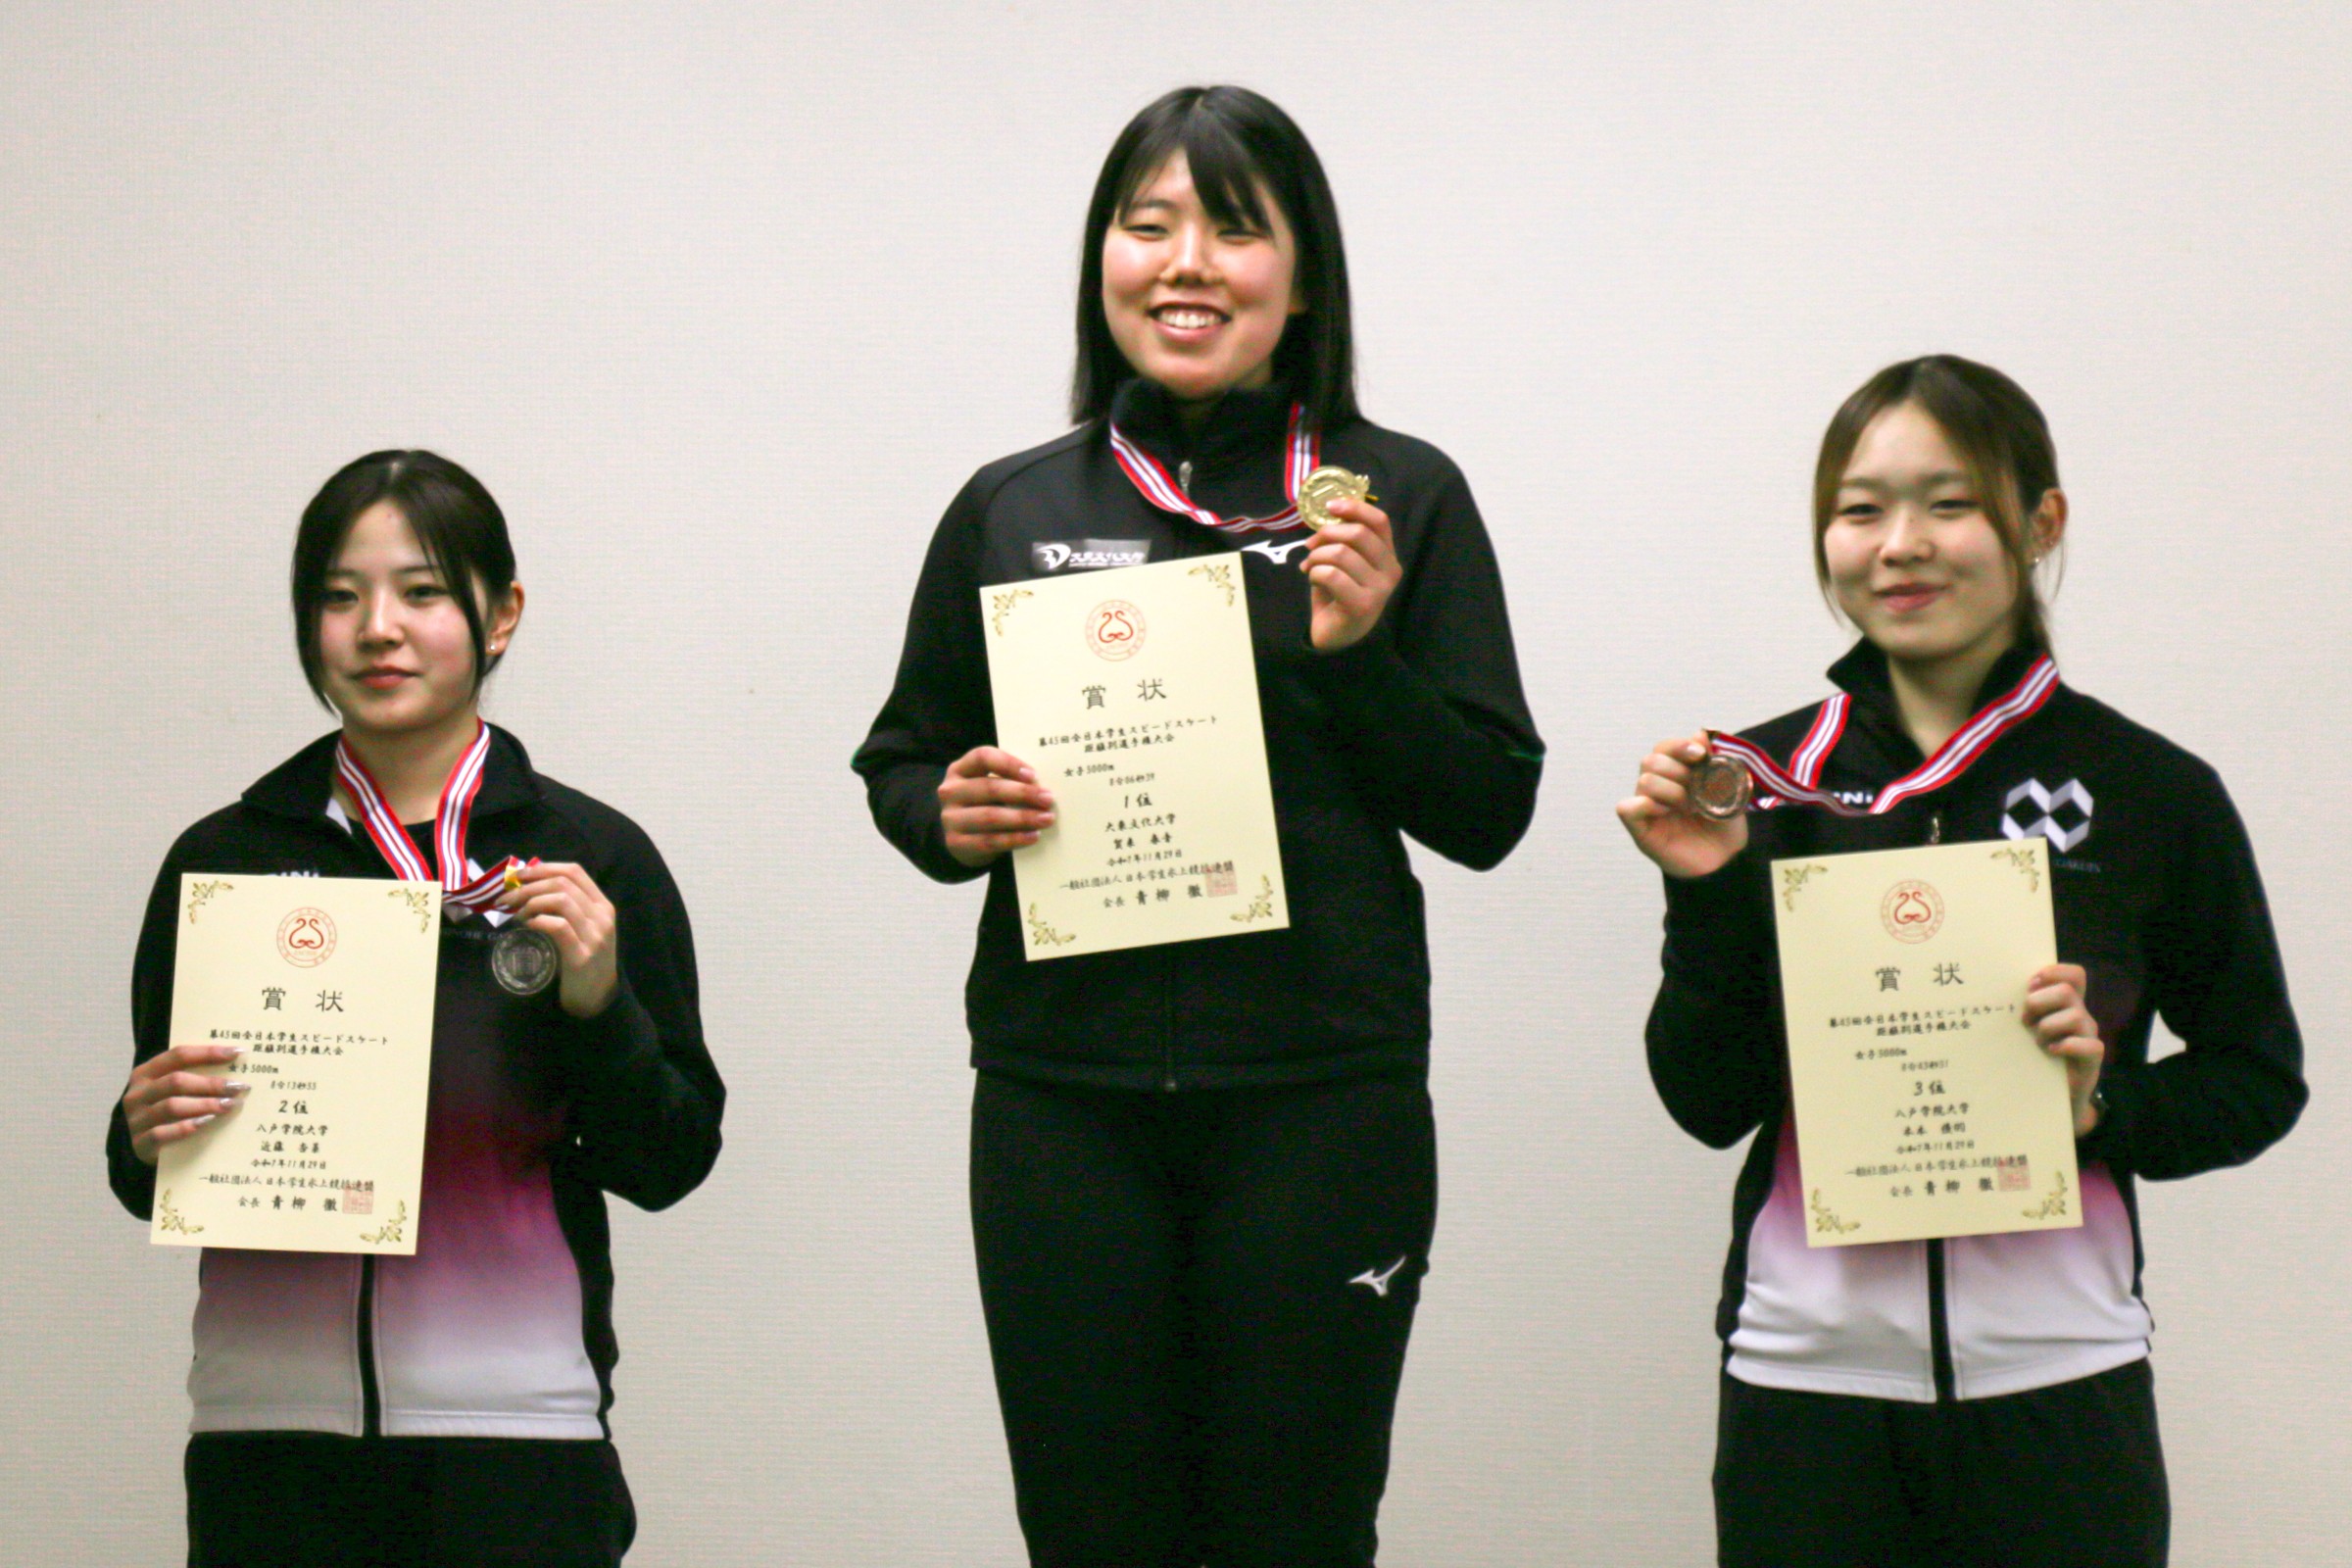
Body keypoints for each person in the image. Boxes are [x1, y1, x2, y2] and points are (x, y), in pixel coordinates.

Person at [854, 85, 1544, 1567]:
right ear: (1100, 261)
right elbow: (903, 762)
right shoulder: (1011, 505)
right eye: (1148, 224)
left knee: (1297, 1530)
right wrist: (947, 814)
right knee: (1090, 1531)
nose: (1185, 263)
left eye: (1233, 229)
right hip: (1064, 1101)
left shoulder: (1395, 500)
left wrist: (1360, 657)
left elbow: (1490, 809)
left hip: (1322, 1098)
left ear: (1304, 279)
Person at [1617, 355, 2306, 1568]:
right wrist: (1709, 890)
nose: (1900, 545)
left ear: (2040, 523)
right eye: (1860, 509)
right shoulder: (1760, 786)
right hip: (1805, 1387)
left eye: (1949, 503)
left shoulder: (2153, 791)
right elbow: (1705, 1099)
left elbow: (2257, 1079)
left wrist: (2102, 1107)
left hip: (2062, 1384)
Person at [110, 451, 724, 1567]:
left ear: (502, 615)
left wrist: (599, 1004)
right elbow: (148, 1167)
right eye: (339, 597)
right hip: (266, 1430)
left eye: (423, 592)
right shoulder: (229, 859)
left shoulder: (592, 857)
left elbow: (671, 1158)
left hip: (520, 1426)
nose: (377, 629)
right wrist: (142, 1128)